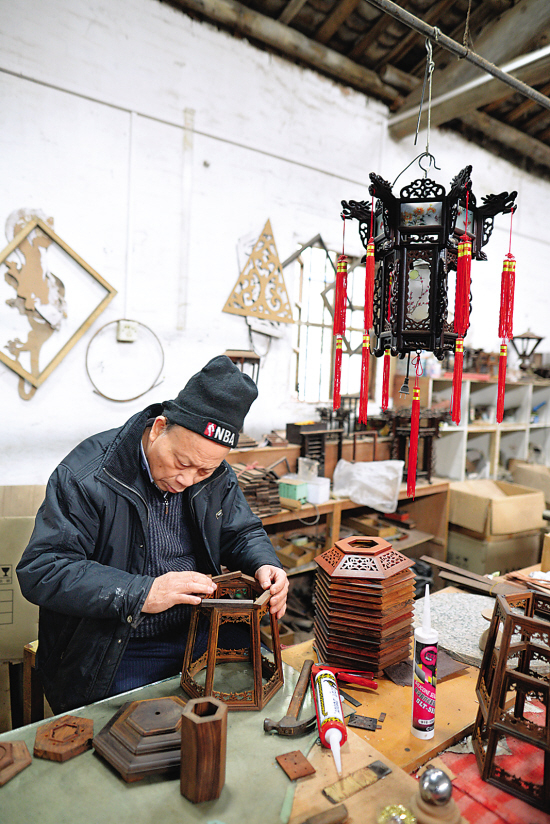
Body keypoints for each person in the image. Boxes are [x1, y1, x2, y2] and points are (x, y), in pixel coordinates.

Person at [17, 355, 288, 714]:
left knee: (261, 705)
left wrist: (265, 563)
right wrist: (143, 592)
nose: (187, 479)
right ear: (159, 428)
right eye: (181, 463)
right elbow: (43, 570)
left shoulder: (216, 474)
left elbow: (241, 532)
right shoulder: (88, 476)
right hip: (117, 644)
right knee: (138, 736)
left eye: (203, 471)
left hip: (200, 627)